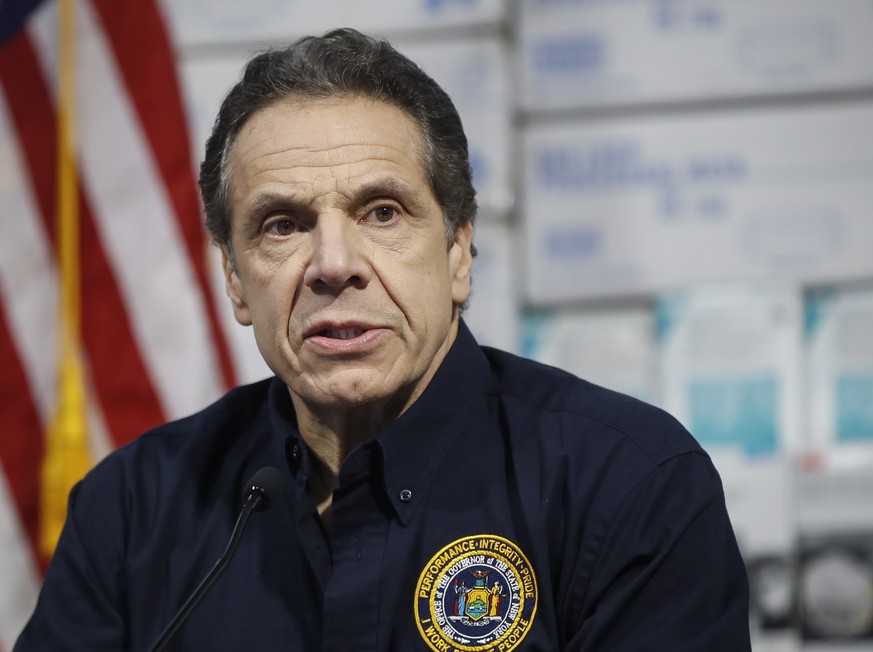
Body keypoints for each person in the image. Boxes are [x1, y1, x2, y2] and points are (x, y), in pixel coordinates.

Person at [15, 28, 751, 651]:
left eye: (382, 213)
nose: (334, 266)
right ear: (236, 281)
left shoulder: (628, 485)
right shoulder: (132, 509)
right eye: (283, 225)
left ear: (459, 253)